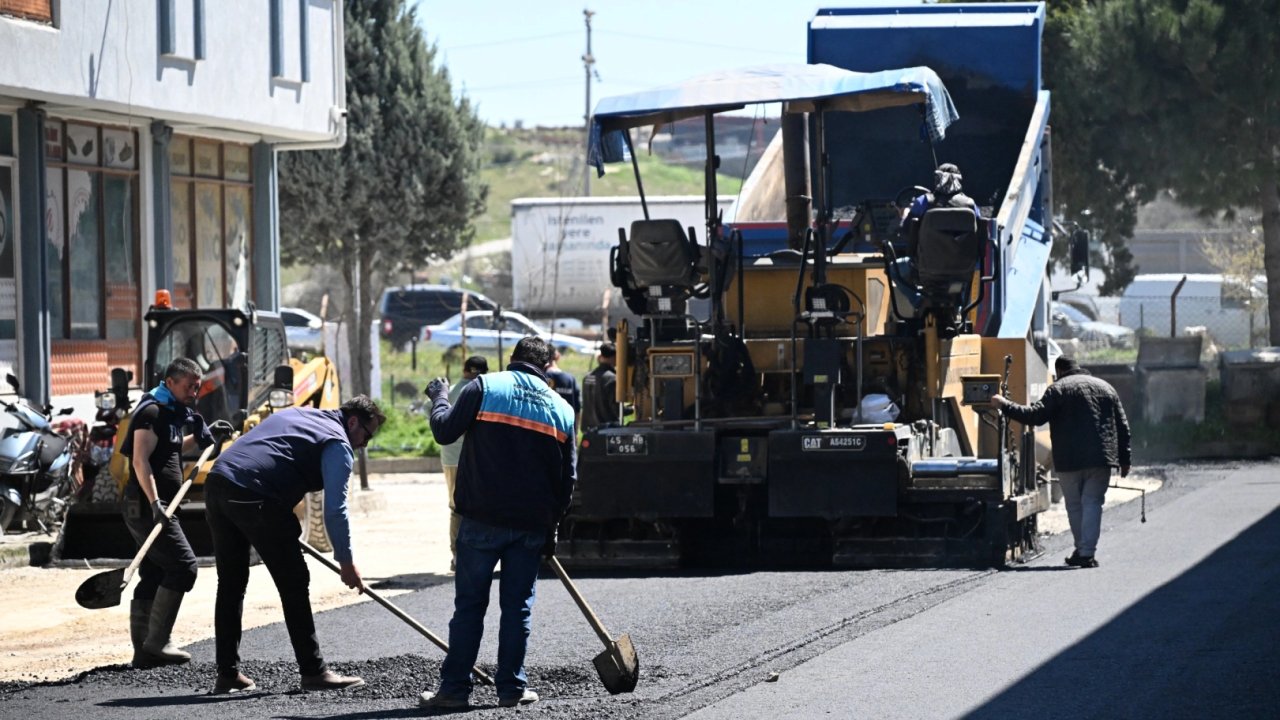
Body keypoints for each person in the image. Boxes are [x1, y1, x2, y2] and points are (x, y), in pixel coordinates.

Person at [419, 336, 576, 710]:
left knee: (470, 607)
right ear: (546, 366)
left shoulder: (485, 387)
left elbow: (444, 431)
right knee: (517, 608)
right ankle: (512, 690)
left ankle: (454, 691)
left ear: (512, 359)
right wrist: (552, 527)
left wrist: (440, 397)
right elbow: (567, 480)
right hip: (530, 526)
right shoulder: (562, 409)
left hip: (481, 520)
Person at [203, 396, 385, 694]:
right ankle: (313, 672)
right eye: (367, 434)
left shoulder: (301, 415)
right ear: (353, 421)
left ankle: (227, 674)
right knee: (294, 581)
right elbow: (335, 510)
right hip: (254, 492)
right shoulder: (337, 442)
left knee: (231, 582)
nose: (364, 443)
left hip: (218, 482)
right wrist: (346, 561)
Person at [120, 358, 234, 669]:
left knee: (155, 572)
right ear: (170, 382)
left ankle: (144, 652)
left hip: (161, 506)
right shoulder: (151, 412)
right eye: (189, 386)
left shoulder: (171, 413)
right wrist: (156, 503)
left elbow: (169, 448)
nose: (195, 392)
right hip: (147, 507)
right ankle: (158, 641)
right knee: (185, 566)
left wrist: (202, 435)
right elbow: (140, 461)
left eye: (198, 387)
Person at [992, 356, 1132, 568]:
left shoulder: (1057, 389)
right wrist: (1125, 459)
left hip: (1068, 460)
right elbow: (1123, 426)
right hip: (1100, 459)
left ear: (1059, 371)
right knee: (1093, 502)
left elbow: (1035, 416)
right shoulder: (1106, 387)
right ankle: (1086, 552)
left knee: (1075, 506)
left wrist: (1004, 405)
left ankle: (1082, 550)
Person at [440, 355, 489, 572]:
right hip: (479, 457)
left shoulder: (451, 392)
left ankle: (457, 555)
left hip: (452, 457)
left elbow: (431, 410)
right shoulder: (487, 391)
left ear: (465, 370)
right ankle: (476, 552)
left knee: (456, 507)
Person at [580, 341, 619, 430]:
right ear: (614, 357)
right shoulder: (612, 378)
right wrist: (631, 409)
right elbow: (615, 409)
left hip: (589, 429)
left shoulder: (587, 377)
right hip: (607, 429)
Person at [545, 347, 581, 431]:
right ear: (557, 357)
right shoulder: (570, 379)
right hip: (567, 429)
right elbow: (577, 409)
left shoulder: (542, 377)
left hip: (546, 429)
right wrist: (575, 431)